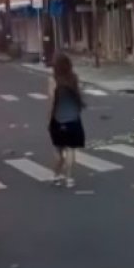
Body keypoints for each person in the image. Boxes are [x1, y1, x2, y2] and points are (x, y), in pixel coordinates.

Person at [47, 52, 86, 188]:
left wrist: (49, 117)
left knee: (58, 150)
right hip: (73, 118)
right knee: (70, 149)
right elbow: (78, 95)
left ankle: (56, 176)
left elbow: (52, 100)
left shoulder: (53, 79)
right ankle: (69, 178)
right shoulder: (74, 78)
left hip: (58, 119)